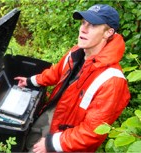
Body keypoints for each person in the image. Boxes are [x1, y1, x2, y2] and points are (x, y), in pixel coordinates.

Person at [15, 4, 130, 152]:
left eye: (93, 25)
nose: (83, 28)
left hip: (70, 142)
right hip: (55, 112)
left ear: (108, 32)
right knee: (30, 140)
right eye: (83, 23)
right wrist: (31, 81)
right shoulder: (76, 52)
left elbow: (92, 132)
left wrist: (53, 143)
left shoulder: (112, 81)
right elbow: (55, 73)